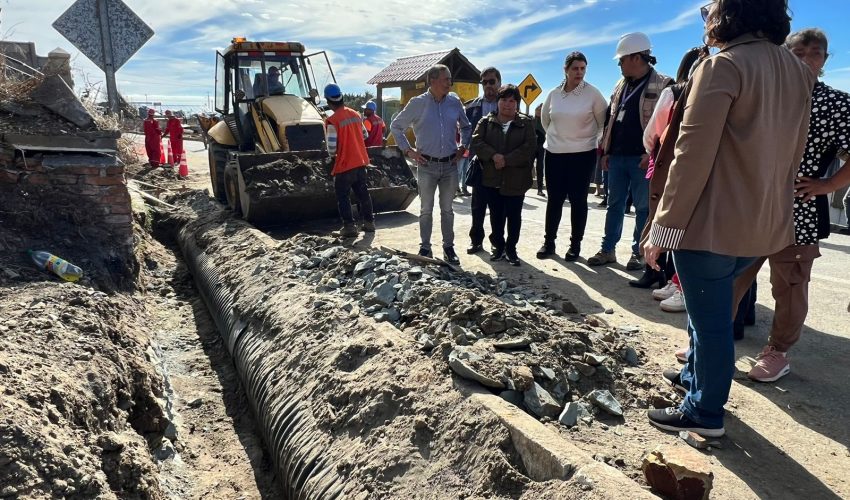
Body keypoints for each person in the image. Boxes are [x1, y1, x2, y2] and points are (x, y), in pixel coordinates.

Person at [644, 0, 815, 438]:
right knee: (712, 312)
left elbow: (691, 154)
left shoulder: (723, 67)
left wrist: (662, 226)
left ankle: (704, 411)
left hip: (710, 223)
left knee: (711, 321)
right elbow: (793, 154)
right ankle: (695, 380)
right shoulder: (797, 70)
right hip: (763, 223)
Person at [729, 27, 850, 383]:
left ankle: (777, 351)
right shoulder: (765, 93)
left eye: (815, 54)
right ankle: (710, 342)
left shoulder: (836, 103)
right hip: (751, 204)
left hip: (800, 208)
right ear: (783, 55)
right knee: (731, 277)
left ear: (825, 61)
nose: (807, 60)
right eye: (798, 53)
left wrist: (827, 184)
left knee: (791, 286)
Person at [589, 32, 673, 269]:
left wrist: (653, 155)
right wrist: (606, 151)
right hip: (616, 157)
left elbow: (668, 126)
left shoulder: (664, 85)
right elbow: (611, 120)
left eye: (622, 59)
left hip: (643, 159)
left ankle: (638, 252)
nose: (619, 64)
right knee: (613, 204)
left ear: (636, 58)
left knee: (643, 208)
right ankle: (608, 250)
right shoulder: (620, 86)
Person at [630, 46, 708, 293]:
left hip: (669, 164)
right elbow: (652, 132)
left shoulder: (673, 93)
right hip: (692, 167)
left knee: (660, 217)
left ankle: (659, 273)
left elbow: (652, 134)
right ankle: (666, 275)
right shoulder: (679, 93)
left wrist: (655, 152)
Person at [390, 64, 471, 264]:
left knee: (447, 210)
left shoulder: (454, 102)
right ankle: (425, 248)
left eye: (449, 79)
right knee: (426, 209)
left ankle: (448, 248)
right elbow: (396, 126)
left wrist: (463, 147)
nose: (449, 83)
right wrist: (409, 151)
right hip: (426, 166)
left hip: (450, 165)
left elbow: (467, 126)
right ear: (432, 81)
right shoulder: (417, 103)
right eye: (446, 79)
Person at [535, 51, 607, 261]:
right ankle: (549, 243)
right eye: (575, 68)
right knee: (554, 200)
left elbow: (603, 123)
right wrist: (558, 139)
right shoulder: (554, 93)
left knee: (578, 201)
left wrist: (589, 140)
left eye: (583, 68)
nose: (579, 72)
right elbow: (546, 121)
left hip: (583, 155)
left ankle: (575, 246)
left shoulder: (593, 94)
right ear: (565, 70)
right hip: (555, 153)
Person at [471, 84, 536, 266]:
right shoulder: (486, 122)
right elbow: (477, 141)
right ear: (497, 102)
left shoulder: (526, 123)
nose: (507, 104)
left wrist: (506, 159)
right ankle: (498, 247)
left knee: (514, 217)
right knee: (496, 216)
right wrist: (494, 155)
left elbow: (529, 148)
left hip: (517, 179)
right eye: (504, 100)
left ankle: (511, 249)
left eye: (512, 101)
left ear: (517, 103)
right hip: (492, 178)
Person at [323, 83, 375, 237]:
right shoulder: (355, 114)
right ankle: (369, 223)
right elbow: (365, 135)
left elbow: (332, 149)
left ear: (328, 101)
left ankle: (349, 227)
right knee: (363, 193)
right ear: (341, 97)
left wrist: (334, 151)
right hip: (360, 161)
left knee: (343, 196)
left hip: (345, 164)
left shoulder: (332, 120)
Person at [463, 67, 502, 254]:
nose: (488, 85)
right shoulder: (470, 107)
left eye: (491, 81)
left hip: (500, 166)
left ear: (499, 83)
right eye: (484, 82)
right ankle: (476, 241)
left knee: (497, 208)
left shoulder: (507, 106)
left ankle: (497, 242)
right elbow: (465, 133)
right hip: (478, 165)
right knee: (477, 207)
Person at [533, 104, 546, 197]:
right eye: (538, 109)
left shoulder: (545, 121)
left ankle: (540, 189)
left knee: (540, 168)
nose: (539, 111)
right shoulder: (531, 121)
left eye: (541, 109)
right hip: (531, 147)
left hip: (541, 147)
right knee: (527, 167)